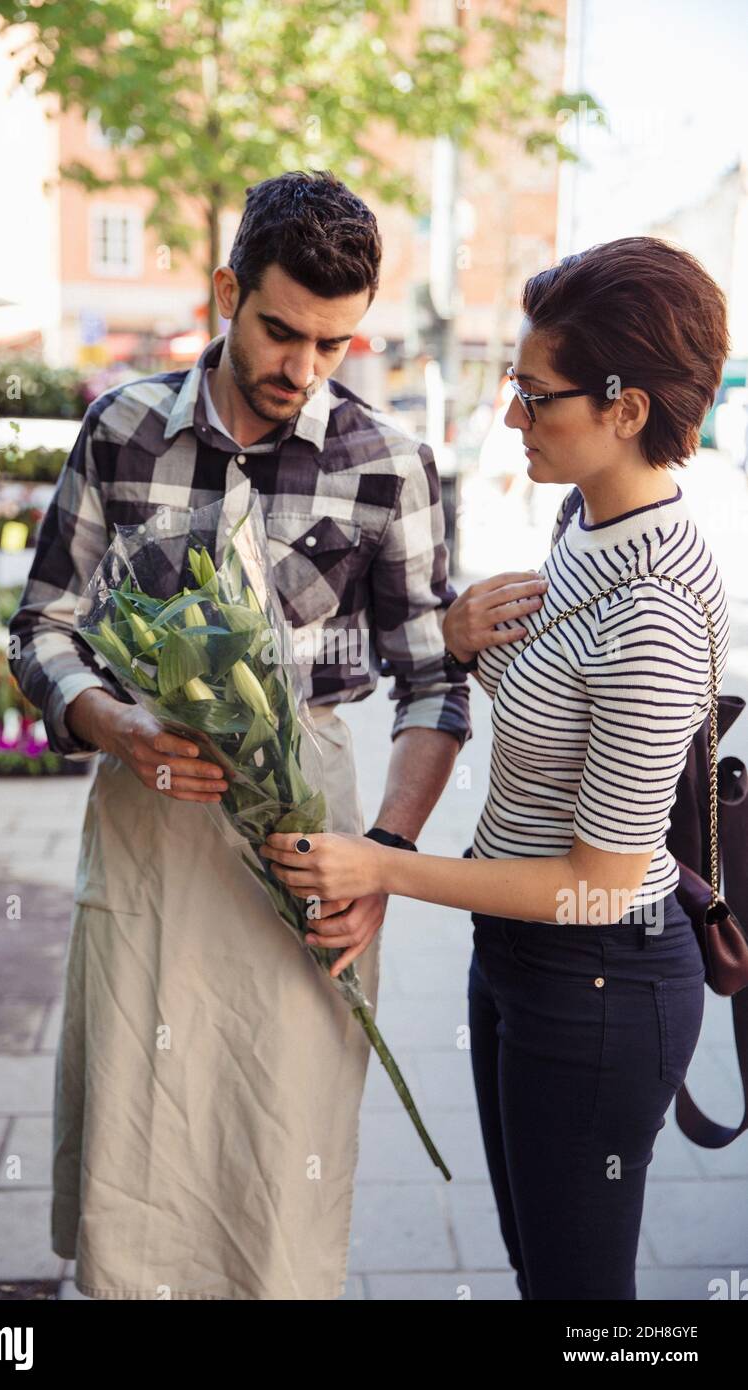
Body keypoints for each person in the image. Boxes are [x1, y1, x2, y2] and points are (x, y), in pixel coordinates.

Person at [8, 169, 470, 1300]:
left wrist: (381, 857)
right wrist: (111, 721)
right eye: (278, 330)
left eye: (333, 344)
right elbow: (41, 627)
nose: (300, 369)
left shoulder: (387, 465)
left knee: (281, 1135)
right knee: (141, 1125)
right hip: (147, 820)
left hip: (307, 839)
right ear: (226, 290)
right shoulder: (119, 428)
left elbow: (433, 686)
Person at [262, 235, 731, 1301]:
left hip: (596, 980)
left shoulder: (651, 608)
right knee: (539, 1270)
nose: (510, 418)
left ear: (625, 409)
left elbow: (598, 878)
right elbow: (546, 689)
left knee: (578, 1301)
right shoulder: (584, 521)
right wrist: (461, 635)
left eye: (533, 394)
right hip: (521, 962)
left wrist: (379, 864)